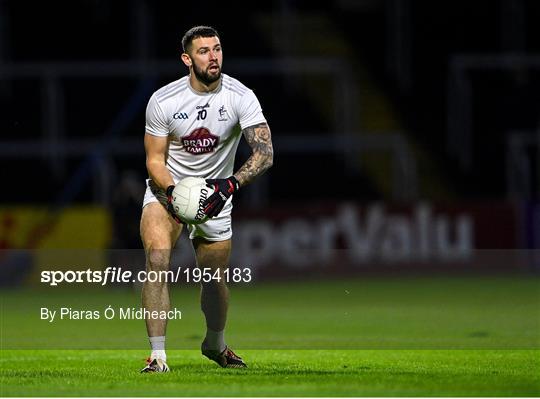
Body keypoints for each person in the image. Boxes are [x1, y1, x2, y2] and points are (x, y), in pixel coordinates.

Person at [139, 26, 273, 372]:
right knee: (157, 260)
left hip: (216, 194)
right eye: (203, 51)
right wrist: (173, 193)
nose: (213, 56)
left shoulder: (240, 96)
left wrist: (229, 186)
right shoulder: (164, 100)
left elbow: (264, 153)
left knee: (214, 278)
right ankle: (158, 356)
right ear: (187, 59)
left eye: (217, 49)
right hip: (165, 192)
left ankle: (215, 344)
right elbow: (154, 159)